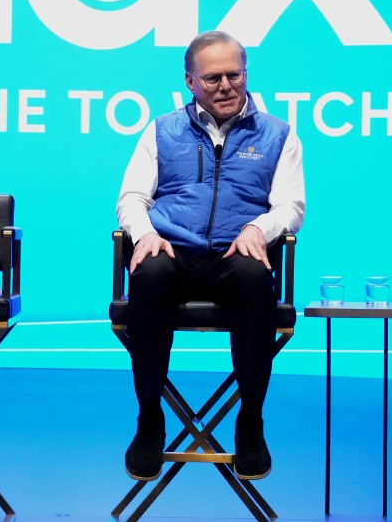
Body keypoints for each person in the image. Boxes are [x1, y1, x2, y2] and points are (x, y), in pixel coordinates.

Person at [116, 30, 305, 481]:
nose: (226, 86)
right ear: (190, 81)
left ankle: (251, 422)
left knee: (256, 279)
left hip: (236, 250)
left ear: (246, 74)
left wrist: (260, 228)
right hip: (173, 248)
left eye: (234, 75)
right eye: (213, 77)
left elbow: (291, 206)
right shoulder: (161, 130)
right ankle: (149, 420)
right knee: (149, 273)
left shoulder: (279, 134)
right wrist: (143, 235)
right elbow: (131, 199)